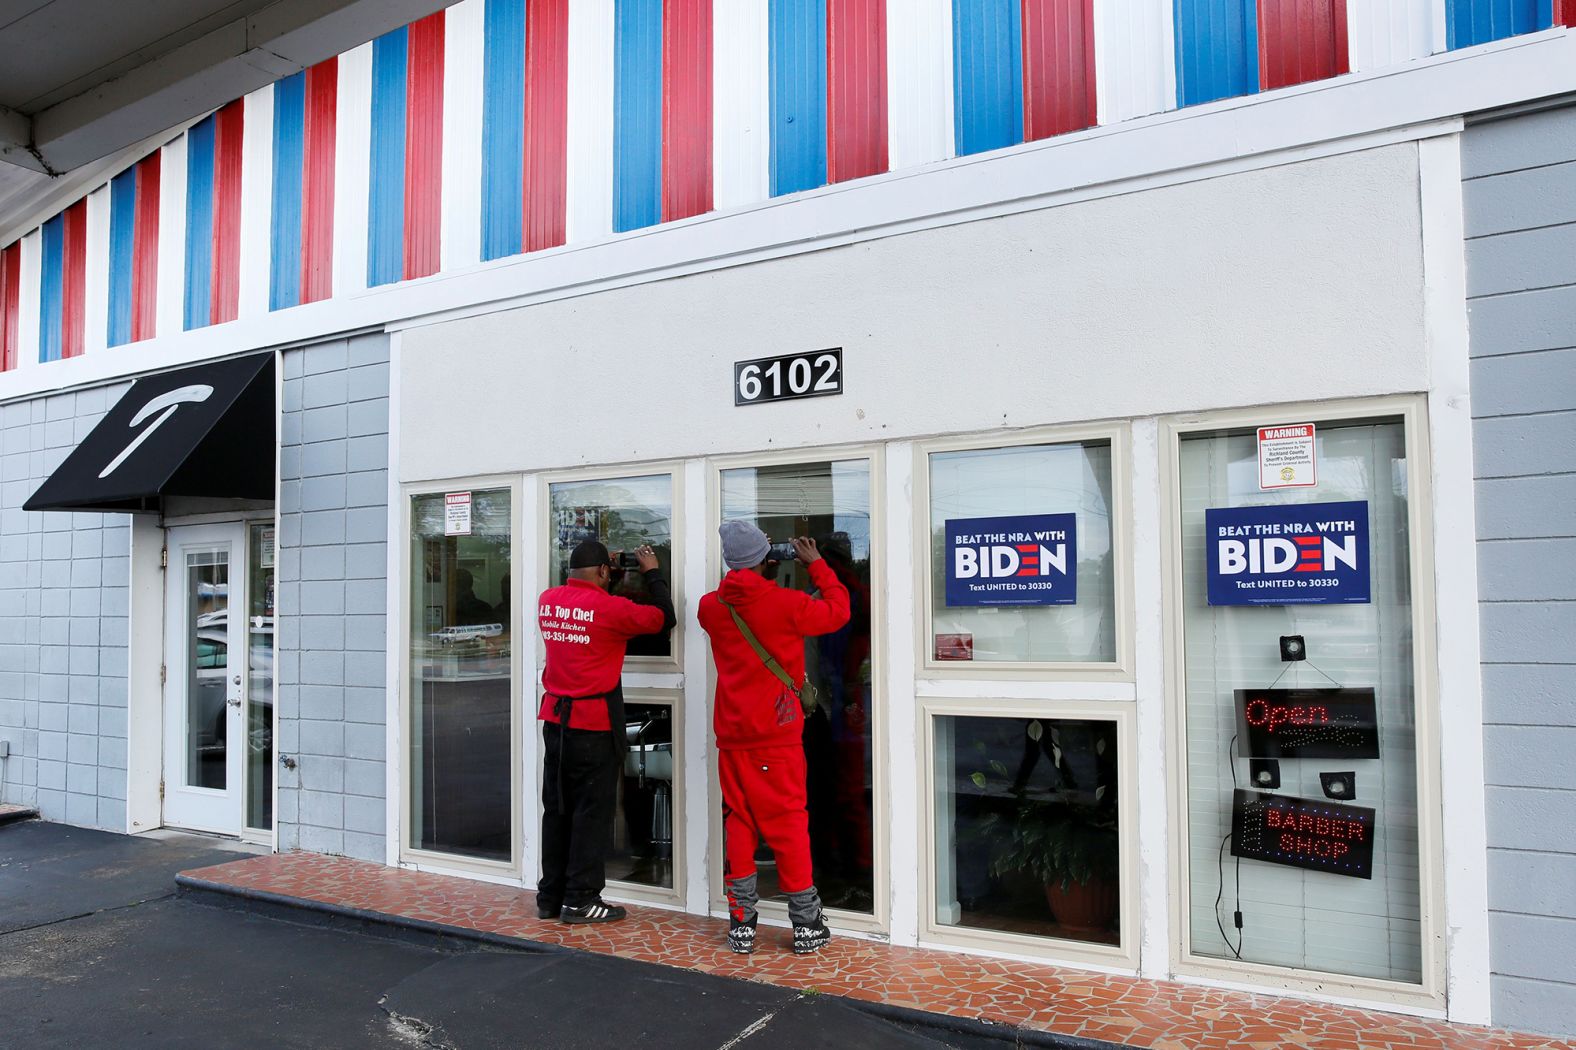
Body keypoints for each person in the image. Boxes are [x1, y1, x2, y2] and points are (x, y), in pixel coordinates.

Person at [698, 521, 850, 955]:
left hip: (731, 734)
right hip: (776, 735)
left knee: (739, 820)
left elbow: (738, 598)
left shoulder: (710, 607)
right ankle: (806, 922)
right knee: (786, 823)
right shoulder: (787, 604)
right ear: (766, 560)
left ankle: (741, 924)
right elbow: (838, 610)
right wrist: (818, 565)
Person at [537, 540, 675, 923]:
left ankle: (550, 896)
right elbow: (664, 617)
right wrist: (652, 573)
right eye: (609, 571)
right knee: (590, 814)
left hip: (556, 723)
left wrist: (608, 578)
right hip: (594, 724)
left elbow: (583, 616)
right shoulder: (610, 609)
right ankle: (581, 899)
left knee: (558, 809)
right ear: (603, 572)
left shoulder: (548, 599)